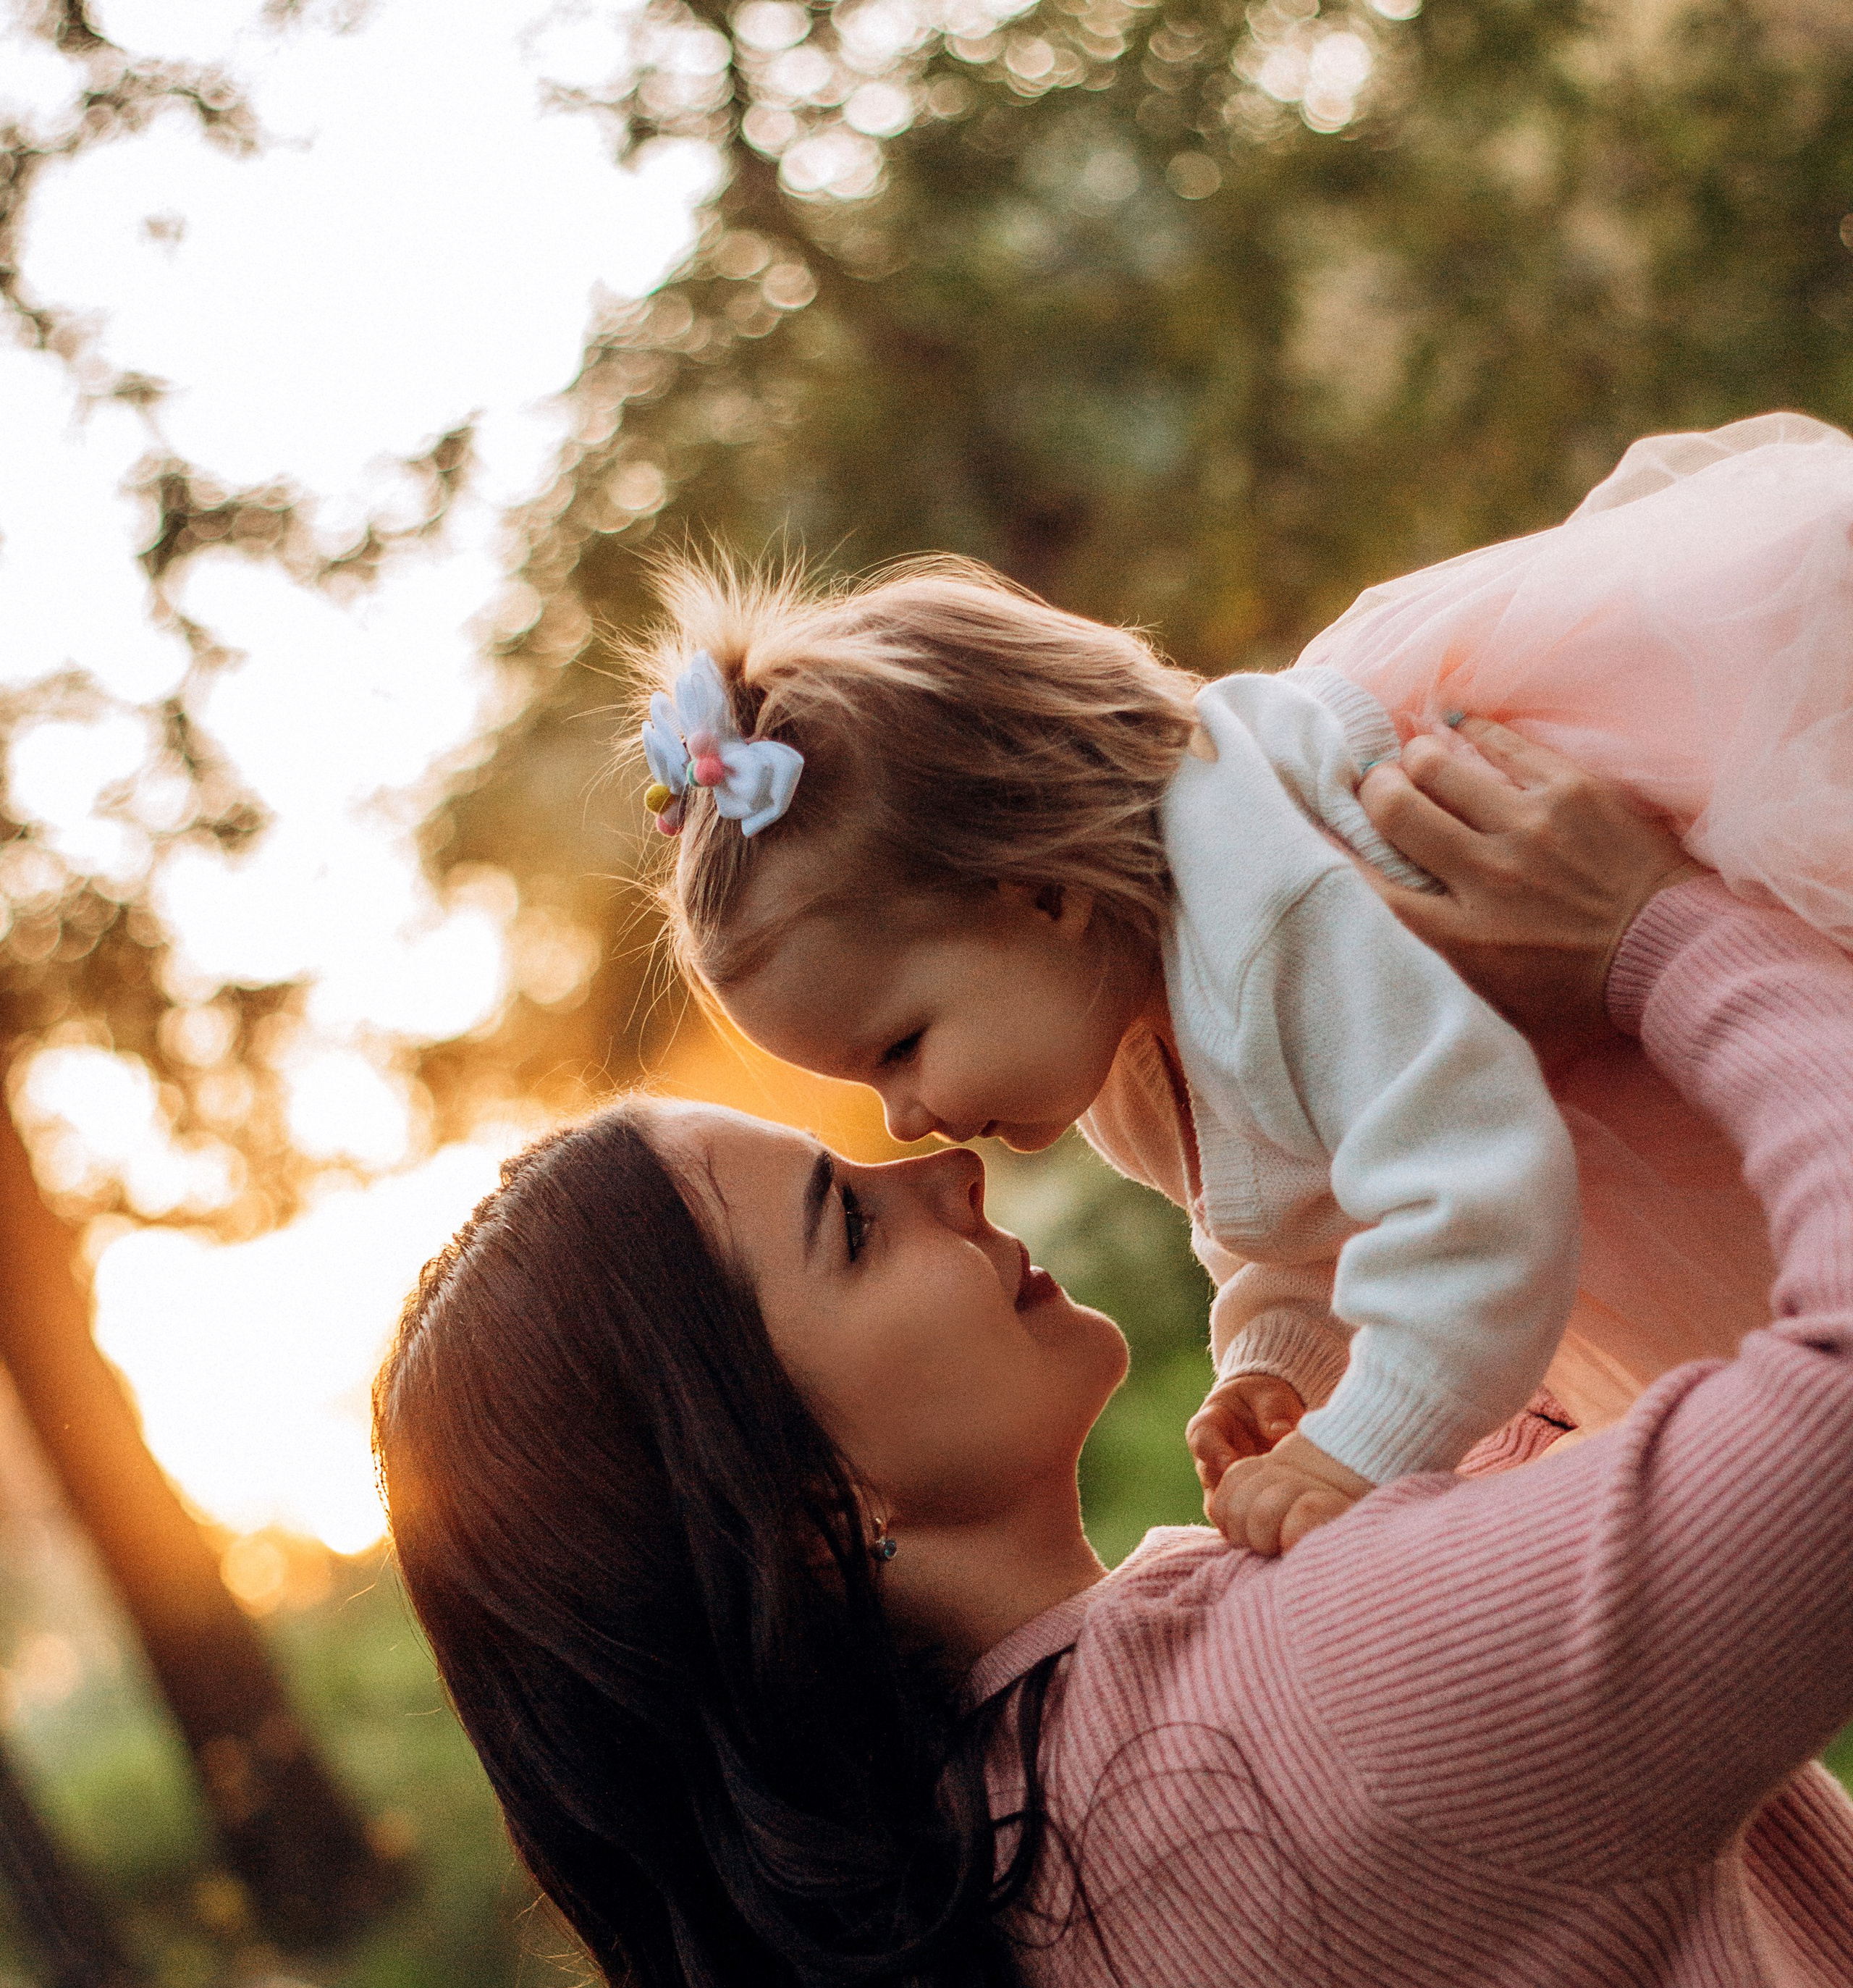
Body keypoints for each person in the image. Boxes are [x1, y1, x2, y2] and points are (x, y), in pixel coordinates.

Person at [374, 737, 1853, 1988]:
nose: (937, 1163)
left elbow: (1543, 1493)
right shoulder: (1312, 1713)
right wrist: (1667, 948)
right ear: (814, 1516)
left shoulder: (1028, 1837)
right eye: (846, 1225)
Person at [632, 412, 1846, 1551]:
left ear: (1043, 893)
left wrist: (1355, 1458)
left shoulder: (1273, 897)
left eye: (899, 1046)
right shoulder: (1119, 1044)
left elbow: (1473, 1197)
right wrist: (1279, 1364)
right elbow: (1305, 1222)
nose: (905, 1120)